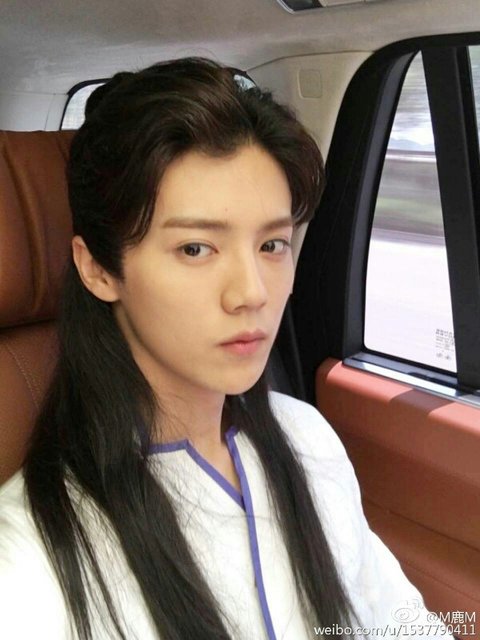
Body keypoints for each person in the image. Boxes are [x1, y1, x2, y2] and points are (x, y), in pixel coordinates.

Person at [0, 57, 451, 640]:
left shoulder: (305, 439)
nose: (252, 292)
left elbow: (399, 622)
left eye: (272, 244)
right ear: (98, 270)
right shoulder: (29, 563)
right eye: (196, 249)